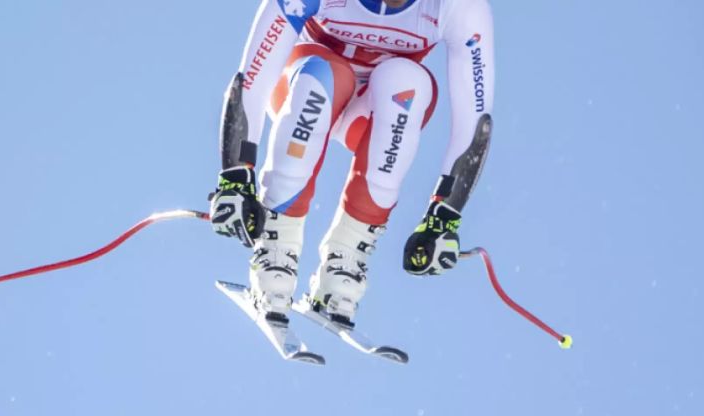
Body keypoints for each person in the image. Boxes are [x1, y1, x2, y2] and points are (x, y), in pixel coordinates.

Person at [210, 0, 495, 329]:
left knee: (408, 82)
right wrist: (235, 175)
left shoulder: (458, 7)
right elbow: (253, 79)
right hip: (305, 88)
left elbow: (475, 122)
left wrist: (445, 216)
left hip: (371, 112)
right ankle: (276, 250)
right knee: (325, 74)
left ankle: (345, 262)